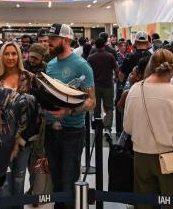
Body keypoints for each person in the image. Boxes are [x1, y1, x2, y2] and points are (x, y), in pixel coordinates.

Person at [123, 49, 173, 209]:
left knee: (144, 204)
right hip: (170, 159)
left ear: (150, 66)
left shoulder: (134, 90)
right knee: (172, 204)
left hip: (141, 157)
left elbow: (127, 127)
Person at [43, 23, 96, 209]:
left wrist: (69, 111)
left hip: (72, 132)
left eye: (53, 39)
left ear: (66, 40)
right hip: (51, 130)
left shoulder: (82, 66)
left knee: (68, 180)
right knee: (56, 180)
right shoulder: (50, 65)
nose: (49, 43)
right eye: (49, 39)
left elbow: (91, 101)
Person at [0, 42, 37, 207]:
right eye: (6, 54)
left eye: (14, 54)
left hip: (24, 139)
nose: (10, 57)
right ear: (1, 56)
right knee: (3, 184)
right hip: (0, 140)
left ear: (19, 56)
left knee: (19, 182)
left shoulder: (28, 77)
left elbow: (35, 109)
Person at [87, 38, 118, 133]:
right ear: (104, 45)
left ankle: (97, 125)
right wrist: (116, 78)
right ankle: (107, 127)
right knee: (109, 107)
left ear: (95, 46)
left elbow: (87, 71)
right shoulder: (110, 56)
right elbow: (116, 69)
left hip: (95, 86)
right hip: (108, 85)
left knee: (96, 106)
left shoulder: (91, 57)